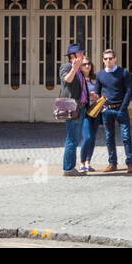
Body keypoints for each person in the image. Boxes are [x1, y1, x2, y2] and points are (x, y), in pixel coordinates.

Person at [96, 48, 132, 173]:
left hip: (120, 109)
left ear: (115, 59)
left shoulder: (123, 72)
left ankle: (130, 164)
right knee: (109, 137)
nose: (108, 60)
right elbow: (97, 93)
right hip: (107, 110)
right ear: (103, 60)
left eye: (111, 58)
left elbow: (129, 91)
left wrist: (123, 107)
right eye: (106, 58)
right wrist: (101, 108)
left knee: (126, 137)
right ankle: (112, 163)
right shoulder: (100, 75)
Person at [59, 43, 90, 177]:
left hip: (81, 107)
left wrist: (90, 96)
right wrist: (74, 67)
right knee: (72, 138)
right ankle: (68, 168)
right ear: (72, 56)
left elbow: (81, 88)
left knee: (76, 138)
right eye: (80, 53)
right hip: (72, 107)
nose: (83, 55)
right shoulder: (66, 67)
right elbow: (67, 80)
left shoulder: (80, 70)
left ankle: (70, 167)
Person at [78, 56, 102, 174]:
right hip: (85, 111)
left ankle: (88, 162)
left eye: (89, 64)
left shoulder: (95, 79)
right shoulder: (79, 79)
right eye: (84, 64)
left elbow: (101, 92)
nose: (87, 66)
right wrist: (88, 96)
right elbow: (78, 95)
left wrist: (97, 96)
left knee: (93, 138)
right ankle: (81, 163)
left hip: (96, 111)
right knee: (87, 137)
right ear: (80, 67)